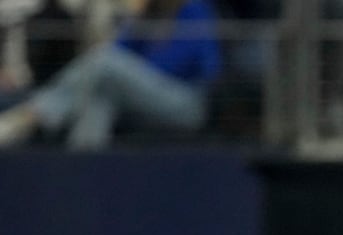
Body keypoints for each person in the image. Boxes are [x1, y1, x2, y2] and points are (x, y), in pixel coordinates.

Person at [0, 0, 220, 149]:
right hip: (145, 100)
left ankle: (31, 115)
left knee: (106, 66)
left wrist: (132, 73)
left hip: (186, 104)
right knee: (100, 95)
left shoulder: (194, 9)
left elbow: (200, 66)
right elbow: (116, 52)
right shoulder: (149, 14)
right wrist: (137, 21)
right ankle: (81, 168)